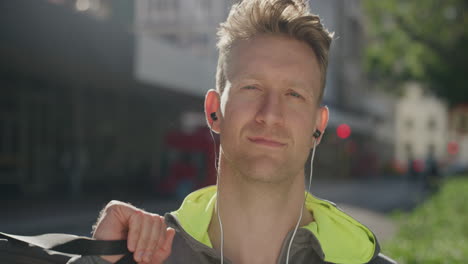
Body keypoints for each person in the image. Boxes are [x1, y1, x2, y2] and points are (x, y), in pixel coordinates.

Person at [70, 0, 396, 263]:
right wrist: (99, 261)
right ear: (214, 111)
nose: (270, 115)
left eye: (294, 95)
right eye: (251, 87)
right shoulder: (140, 257)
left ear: (318, 126)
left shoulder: (361, 260)